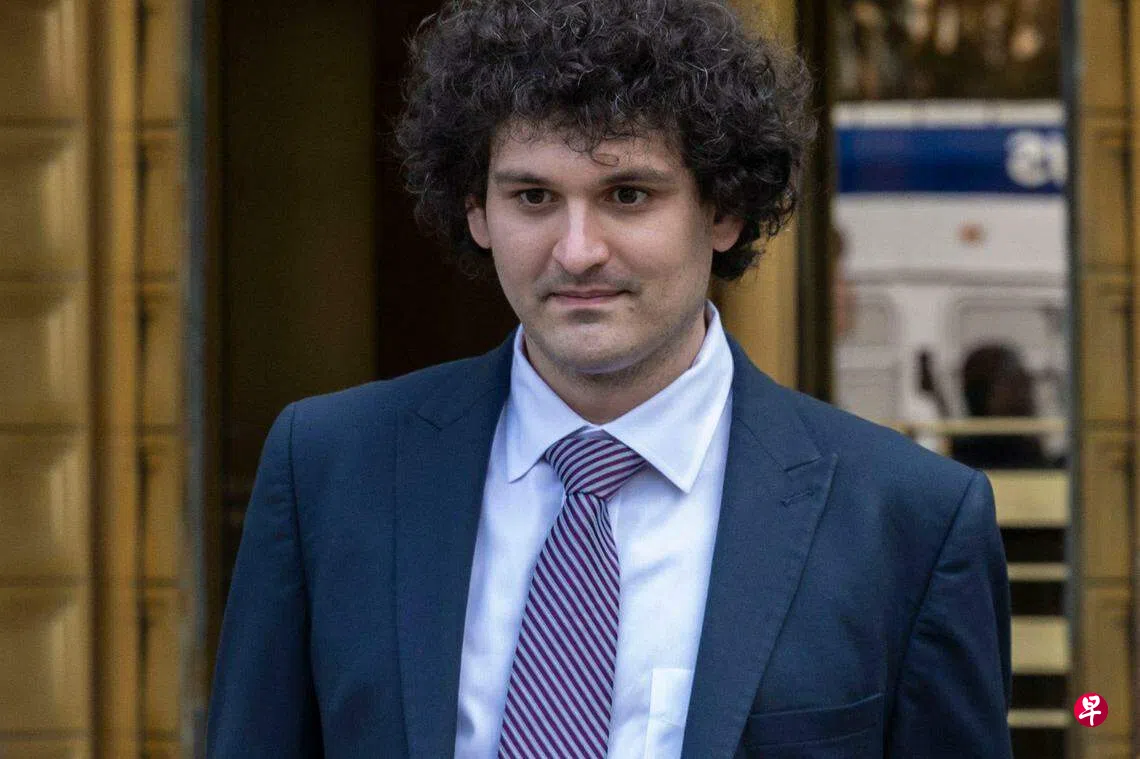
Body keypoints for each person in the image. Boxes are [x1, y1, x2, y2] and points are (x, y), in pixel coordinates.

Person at [206, 0, 1012, 756]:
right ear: (478, 211)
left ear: (724, 209)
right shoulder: (329, 469)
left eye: (627, 195)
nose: (578, 251)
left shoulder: (911, 521)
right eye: (533, 197)